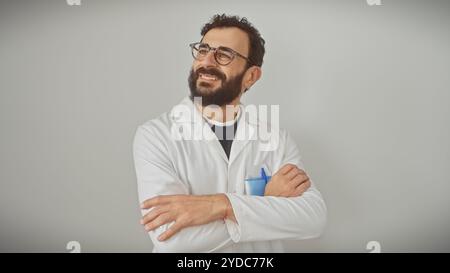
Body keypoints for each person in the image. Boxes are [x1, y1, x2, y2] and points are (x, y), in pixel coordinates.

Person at [133, 14, 327, 252]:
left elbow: (313, 219)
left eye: (224, 54)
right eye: (203, 49)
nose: (207, 61)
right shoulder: (155, 136)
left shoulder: (275, 139)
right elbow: (171, 239)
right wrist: (264, 201)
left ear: (251, 76)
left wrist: (220, 206)